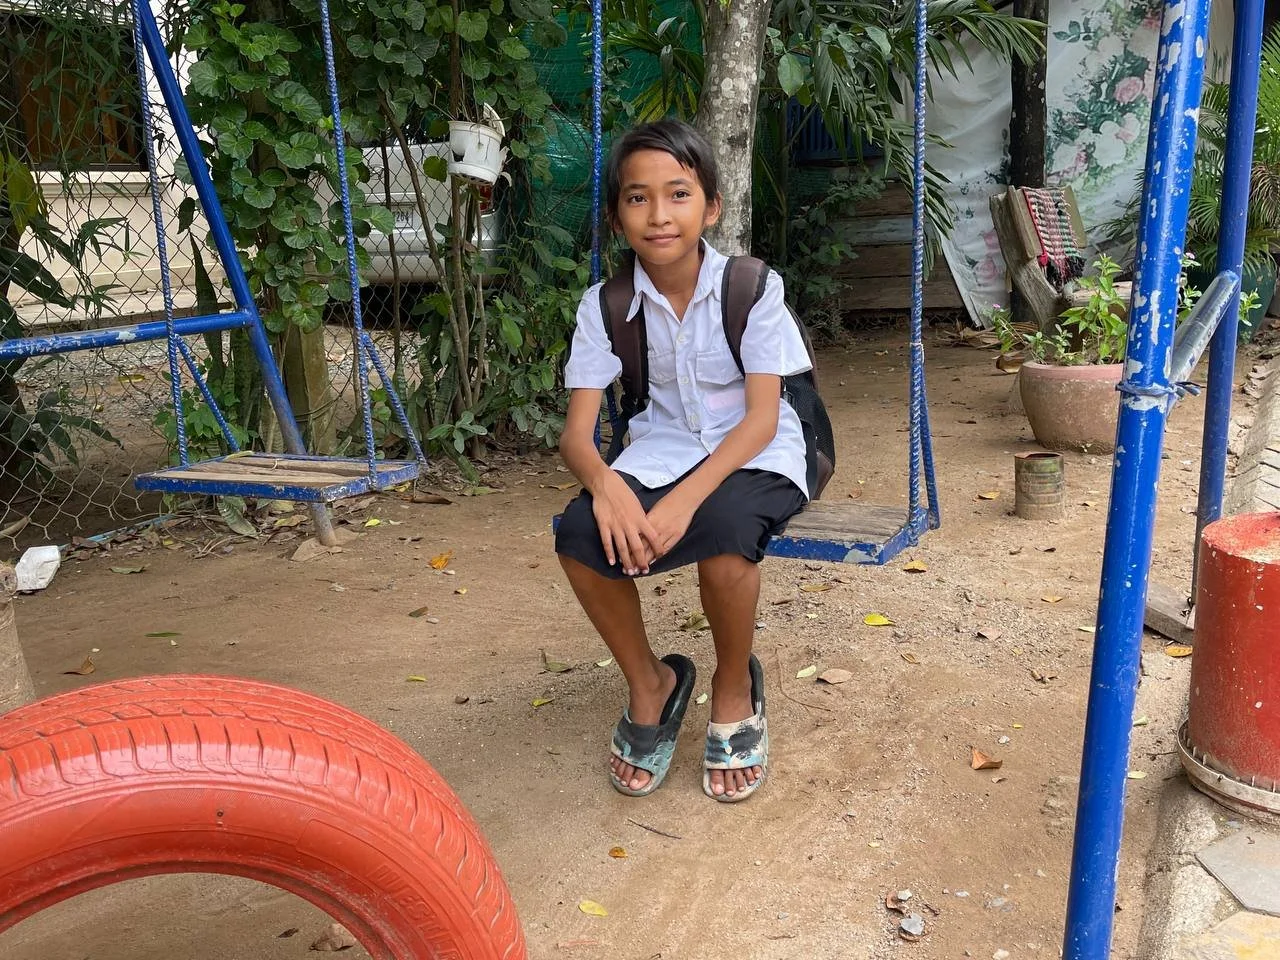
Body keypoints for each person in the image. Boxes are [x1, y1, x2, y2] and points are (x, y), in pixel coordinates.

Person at [554, 119, 811, 802]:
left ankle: (733, 685)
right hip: (662, 452)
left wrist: (682, 503)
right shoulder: (606, 306)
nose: (659, 215)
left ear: (711, 207)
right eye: (638, 198)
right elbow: (576, 437)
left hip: (761, 449)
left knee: (727, 535)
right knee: (579, 534)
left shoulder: (751, 287)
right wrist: (606, 486)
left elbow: (761, 418)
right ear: (617, 218)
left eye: (678, 194)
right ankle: (652, 682)